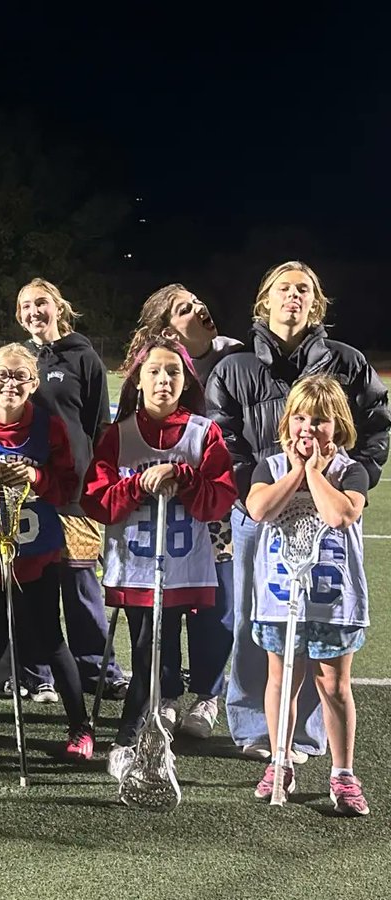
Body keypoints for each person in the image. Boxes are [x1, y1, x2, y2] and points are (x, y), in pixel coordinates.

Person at [205, 261, 389, 761]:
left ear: (316, 303)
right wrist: (254, 493)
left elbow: (377, 426)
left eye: (303, 289)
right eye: (283, 288)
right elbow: (224, 440)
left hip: (327, 515)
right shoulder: (235, 367)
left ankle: (303, 735)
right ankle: (253, 729)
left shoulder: (347, 363)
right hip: (260, 514)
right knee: (254, 619)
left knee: (317, 622)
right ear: (265, 300)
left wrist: (359, 482)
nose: (293, 296)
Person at [81, 337, 236, 777]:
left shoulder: (204, 433)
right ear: (138, 379)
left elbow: (219, 501)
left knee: (189, 643)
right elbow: (98, 502)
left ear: (186, 380)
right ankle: (133, 737)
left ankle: (146, 731)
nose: (164, 380)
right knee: (151, 653)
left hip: (190, 563)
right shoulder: (120, 434)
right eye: (154, 371)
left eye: (173, 371)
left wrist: (182, 477)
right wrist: (138, 485)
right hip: (139, 565)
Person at [0, 343, 93, 761]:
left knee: (50, 638)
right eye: (2, 375)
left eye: (20, 375)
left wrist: (36, 475)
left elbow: (66, 488)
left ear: (34, 383)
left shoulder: (49, 428)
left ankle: (80, 726)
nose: (11, 383)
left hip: (37, 549)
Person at [245, 375, 369, 815]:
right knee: (282, 682)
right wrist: (296, 470)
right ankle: (280, 762)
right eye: (300, 417)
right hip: (281, 596)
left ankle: (342, 773)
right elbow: (259, 509)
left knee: (333, 685)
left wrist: (314, 472)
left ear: (337, 425)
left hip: (332, 598)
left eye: (319, 420)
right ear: (287, 421)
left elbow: (340, 515)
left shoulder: (350, 470)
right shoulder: (270, 466)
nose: (308, 428)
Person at [123, 284, 242, 737]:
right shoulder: (156, 367)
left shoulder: (236, 355)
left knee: (217, 605)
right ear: (165, 327)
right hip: (164, 513)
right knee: (166, 606)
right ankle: (168, 691)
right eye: (184, 308)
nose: (199, 308)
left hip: (213, 500)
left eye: (197, 301)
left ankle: (209, 694)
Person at [14, 278, 126, 701]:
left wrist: (98, 480)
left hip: (75, 490)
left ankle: (98, 668)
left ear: (58, 306)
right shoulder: (20, 359)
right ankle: (36, 670)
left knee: (80, 584)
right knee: (32, 581)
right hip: (28, 491)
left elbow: (98, 425)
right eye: (24, 306)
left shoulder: (85, 357)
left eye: (40, 302)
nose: (32, 312)